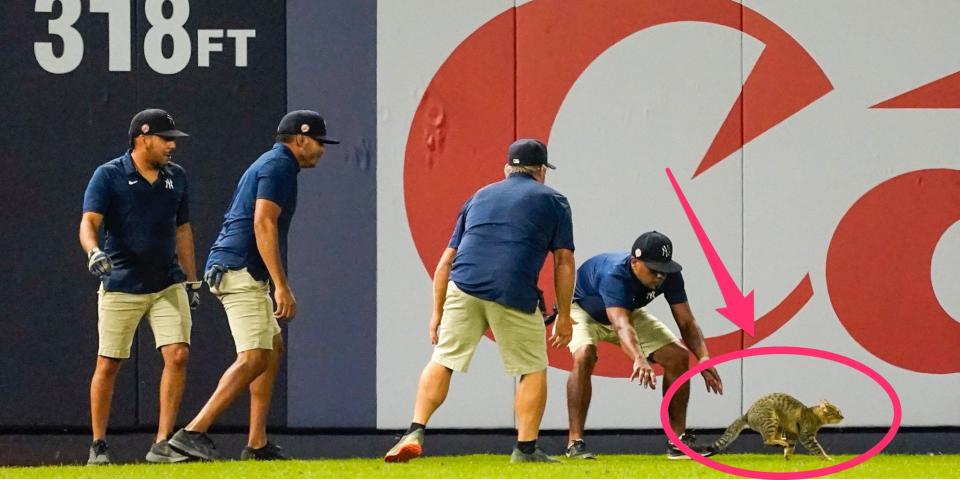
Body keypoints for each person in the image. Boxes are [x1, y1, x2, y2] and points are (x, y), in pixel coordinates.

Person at [383, 139, 576, 464]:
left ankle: (414, 430)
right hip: (512, 289)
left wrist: (437, 313)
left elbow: (445, 262)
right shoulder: (554, 200)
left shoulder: (479, 196)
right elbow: (564, 262)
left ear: (506, 169)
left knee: (443, 358)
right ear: (541, 171)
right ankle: (525, 450)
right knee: (532, 368)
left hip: (463, 284)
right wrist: (566, 315)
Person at [168, 110, 337, 461]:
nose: (322, 149)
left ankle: (257, 442)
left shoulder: (277, 163)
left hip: (237, 266)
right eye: (319, 142)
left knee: (271, 351)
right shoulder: (279, 166)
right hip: (239, 267)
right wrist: (281, 285)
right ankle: (192, 433)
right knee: (255, 356)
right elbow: (263, 223)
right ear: (300, 139)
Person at [79, 109, 198, 465]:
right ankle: (99, 444)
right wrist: (94, 251)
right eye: (166, 138)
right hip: (121, 283)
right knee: (109, 362)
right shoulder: (109, 175)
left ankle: (162, 443)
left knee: (178, 355)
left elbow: (183, 231)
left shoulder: (177, 177)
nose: (172, 145)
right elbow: (89, 222)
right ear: (142, 138)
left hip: (166, 282)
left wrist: (193, 281)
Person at [560, 231, 723, 460]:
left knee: (677, 356)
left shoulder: (670, 275)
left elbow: (686, 321)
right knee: (585, 355)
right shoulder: (614, 274)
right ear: (635, 263)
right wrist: (638, 357)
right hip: (584, 310)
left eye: (663, 269)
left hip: (626, 311)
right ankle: (574, 443)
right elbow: (621, 325)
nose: (659, 276)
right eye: (653, 269)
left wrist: (704, 357)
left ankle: (677, 443)